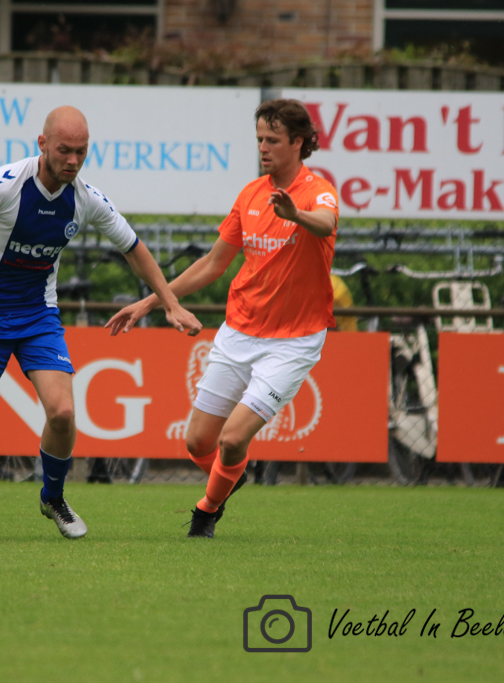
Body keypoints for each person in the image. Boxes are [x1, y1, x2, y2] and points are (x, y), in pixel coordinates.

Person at [0, 106, 202, 539]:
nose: (73, 161)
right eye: (64, 150)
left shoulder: (86, 199)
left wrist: (169, 303)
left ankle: (53, 498)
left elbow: (134, 248)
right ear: (42, 144)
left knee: (63, 413)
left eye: (82, 151)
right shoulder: (5, 185)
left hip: (37, 316)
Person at [107, 99, 339, 538]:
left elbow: (326, 224)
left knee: (232, 439)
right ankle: (230, 475)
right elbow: (213, 264)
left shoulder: (317, 191)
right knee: (197, 442)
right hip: (239, 332)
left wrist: (296, 215)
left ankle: (206, 511)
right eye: (259, 139)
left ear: (298, 142)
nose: (263, 147)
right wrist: (150, 302)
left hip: (292, 342)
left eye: (272, 140)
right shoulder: (251, 195)